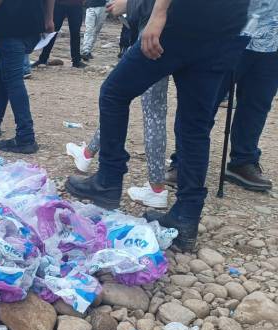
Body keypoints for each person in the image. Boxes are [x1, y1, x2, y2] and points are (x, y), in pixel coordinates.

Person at [65, 0, 251, 252]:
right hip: (228, 27)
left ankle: (109, 178)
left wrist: (159, 13)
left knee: (114, 93)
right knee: (195, 126)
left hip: (183, 21)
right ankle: (187, 217)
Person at [67, 0, 170, 209]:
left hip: (154, 32)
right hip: (188, 31)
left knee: (117, 96)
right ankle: (87, 153)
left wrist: (130, 5)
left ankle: (156, 189)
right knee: (151, 109)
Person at [0, 0, 55, 154]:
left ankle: (25, 136)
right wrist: (49, 18)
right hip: (34, 24)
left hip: (12, 23)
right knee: (6, 71)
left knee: (13, 79)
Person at [219, 0, 277, 192]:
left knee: (257, 104)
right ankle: (183, 161)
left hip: (272, 42)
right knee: (205, 99)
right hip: (230, 34)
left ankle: (243, 161)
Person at [34, 0, 86, 69]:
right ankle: (43, 59)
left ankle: (76, 60)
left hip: (75, 5)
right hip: (60, 4)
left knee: (75, 33)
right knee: (52, 32)